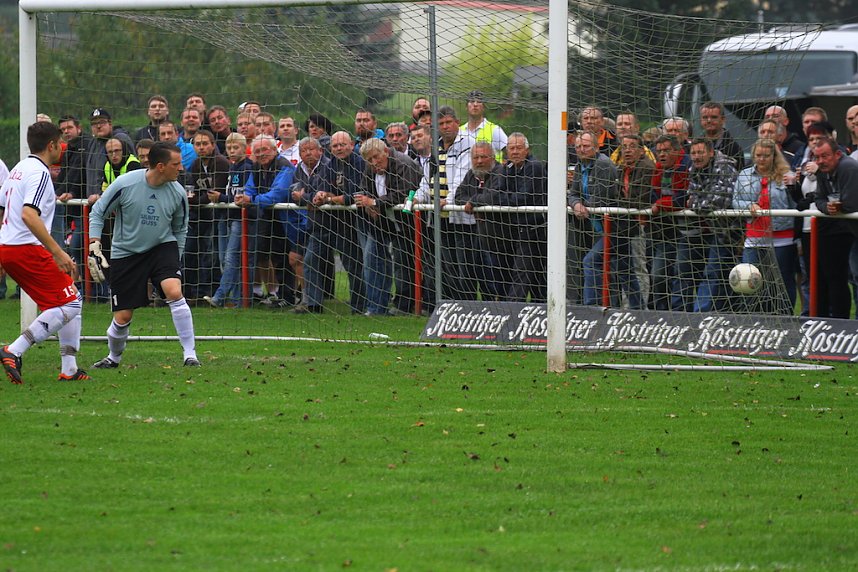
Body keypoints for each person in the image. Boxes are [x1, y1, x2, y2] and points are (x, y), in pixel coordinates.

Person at [89, 142, 199, 368]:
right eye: (176, 164)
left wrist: (175, 258)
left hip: (162, 246)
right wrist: (94, 245)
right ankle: (113, 358)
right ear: (160, 166)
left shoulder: (178, 192)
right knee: (123, 317)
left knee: (174, 291)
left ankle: (190, 355)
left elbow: (180, 228)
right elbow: (98, 212)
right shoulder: (125, 184)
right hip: (126, 252)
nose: (181, 169)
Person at [0, 121, 89, 383]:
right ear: (51, 145)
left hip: (11, 247)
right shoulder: (39, 173)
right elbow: (29, 214)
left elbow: (4, 209)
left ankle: (70, 368)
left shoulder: (18, 168)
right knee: (71, 303)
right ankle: (13, 350)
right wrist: (58, 252)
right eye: (60, 142)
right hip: (26, 248)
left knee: (69, 296)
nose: (62, 147)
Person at [292, 133, 366, 314]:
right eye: (335, 146)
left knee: (352, 265)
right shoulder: (330, 164)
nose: (339, 149)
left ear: (351, 144)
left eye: (342, 145)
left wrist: (330, 197)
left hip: (348, 224)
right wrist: (319, 196)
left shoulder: (358, 163)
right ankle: (313, 304)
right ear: (330, 148)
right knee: (310, 260)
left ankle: (359, 305)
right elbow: (316, 190)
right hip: (323, 223)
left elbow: (355, 194)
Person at [356, 137, 422, 315]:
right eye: (369, 160)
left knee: (406, 264)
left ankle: (411, 306)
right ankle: (376, 308)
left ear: (385, 151)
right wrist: (368, 204)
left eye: (376, 157)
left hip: (410, 223)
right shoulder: (370, 168)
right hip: (382, 223)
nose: (374, 162)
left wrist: (376, 203)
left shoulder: (404, 163)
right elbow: (364, 189)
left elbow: (405, 192)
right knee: (372, 261)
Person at [733, 138, 797, 314]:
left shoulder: (787, 176)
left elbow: (795, 204)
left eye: (766, 156)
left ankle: (785, 317)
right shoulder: (744, 175)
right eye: (758, 155)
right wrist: (748, 206)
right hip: (754, 236)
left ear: (774, 156)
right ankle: (752, 318)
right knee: (749, 279)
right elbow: (735, 201)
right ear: (753, 155)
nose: (762, 159)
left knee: (782, 281)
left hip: (782, 237)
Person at [686, 138, 740, 312]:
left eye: (700, 152)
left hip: (736, 231)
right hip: (717, 230)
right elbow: (692, 195)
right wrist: (699, 202)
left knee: (723, 272)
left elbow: (721, 200)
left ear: (710, 152)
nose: (696, 157)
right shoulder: (693, 169)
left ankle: (700, 313)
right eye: (693, 153)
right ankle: (712, 312)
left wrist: (696, 204)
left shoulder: (724, 167)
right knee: (717, 272)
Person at [811, 137, 858, 318]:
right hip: (853, 231)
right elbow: (819, 199)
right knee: (853, 278)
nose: (821, 161)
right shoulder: (823, 171)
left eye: (825, 156)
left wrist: (836, 207)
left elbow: (852, 203)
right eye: (817, 157)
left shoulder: (849, 167)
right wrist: (828, 208)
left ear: (838, 154)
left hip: (851, 230)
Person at [205, 132, 253, 308]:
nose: (232, 151)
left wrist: (222, 198)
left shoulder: (248, 167)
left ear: (244, 148)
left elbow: (241, 195)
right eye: (229, 148)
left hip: (238, 218)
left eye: (236, 147)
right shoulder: (232, 167)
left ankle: (220, 296)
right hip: (225, 216)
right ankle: (235, 299)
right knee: (224, 258)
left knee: (231, 258)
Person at [699, 101, 744, 169]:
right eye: (705, 117)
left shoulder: (734, 148)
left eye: (713, 117)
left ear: (723, 119)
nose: (709, 120)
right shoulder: (694, 146)